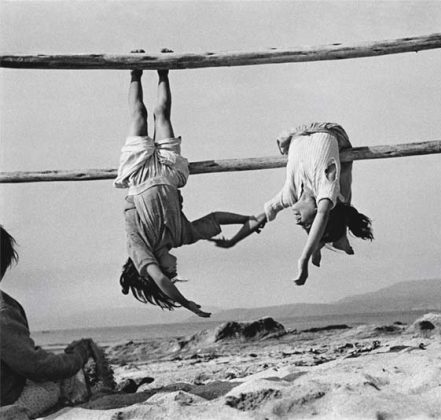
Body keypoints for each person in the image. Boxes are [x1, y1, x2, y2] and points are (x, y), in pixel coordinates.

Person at [115, 52, 264, 318]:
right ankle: (163, 71)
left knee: (139, 115)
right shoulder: (182, 236)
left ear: (154, 268)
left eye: (170, 271)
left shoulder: (139, 249)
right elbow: (215, 218)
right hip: (169, 173)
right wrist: (246, 218)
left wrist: (186, 304)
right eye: (174, 273)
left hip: (138, 174)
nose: (174, 269)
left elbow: (159, 281)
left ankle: (135, 72)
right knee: (162, 116)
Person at [216, 122, 373, 285]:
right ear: (316, 211)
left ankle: (319, 245)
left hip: (297, 135)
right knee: (342, 195)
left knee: (336, 208)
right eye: (306, 224)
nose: (298, 222)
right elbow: (323, 214)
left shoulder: (289, 195)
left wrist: (232, 241)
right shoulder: (325, 190)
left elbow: (259, 218)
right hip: (328, 130)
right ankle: (323, 244)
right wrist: (304, 260)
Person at [0, 226, 95, 418]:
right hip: (6, 397)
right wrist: (77, 358)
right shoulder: (4, 311)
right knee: (48, 388)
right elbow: (35, 365)